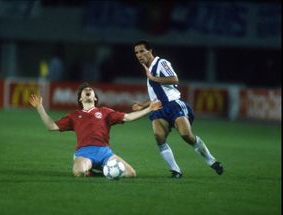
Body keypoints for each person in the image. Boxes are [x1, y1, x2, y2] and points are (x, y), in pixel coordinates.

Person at [29, 82, 162, 178]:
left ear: (95, 98)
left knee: (131, 174)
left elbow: (128, 117)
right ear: (81, 98)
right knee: (79, 173)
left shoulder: (105, 112)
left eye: (90, 90)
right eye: (84, 90)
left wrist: (149, 109)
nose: (88, 90)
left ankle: (97, 172)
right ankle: (93, 170)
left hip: (105, 153)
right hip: (84, 153)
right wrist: (39, 108)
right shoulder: (74, 116)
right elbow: (51, 126)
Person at [132, 40, 224, 178]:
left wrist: (154, 78)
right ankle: (175, 171)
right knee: (159, 136)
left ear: (150, 51)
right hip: (160, 109)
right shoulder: (148, 70)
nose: (139, 55)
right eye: (136, 53)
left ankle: (212, 161)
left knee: (186, 135)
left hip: (174, 105)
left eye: (142, 51)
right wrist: (143, 106)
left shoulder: (161, 63)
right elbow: (157, 95)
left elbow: (175, 79)